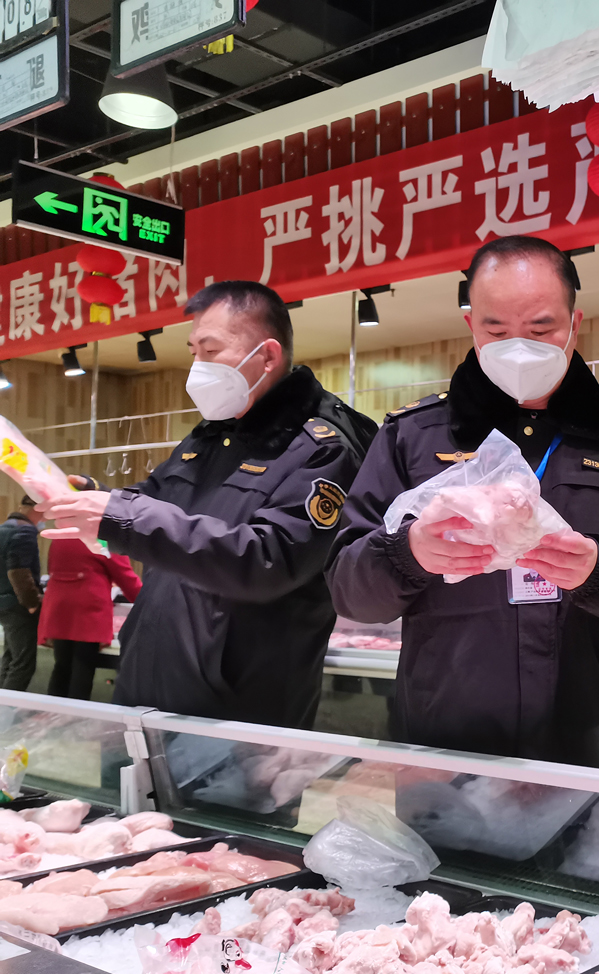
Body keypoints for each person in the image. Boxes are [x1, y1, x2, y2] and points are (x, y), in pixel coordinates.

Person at [328, 235, 599, 770]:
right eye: (496, 329)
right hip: (445, 747)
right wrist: (407, 553)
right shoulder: (410, 438)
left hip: (588, 746)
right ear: (470, 324)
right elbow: (347, 587)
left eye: (542, 328)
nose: (518, 346)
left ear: (575, 323)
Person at [38, 281, 378, 728]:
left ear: (268, 356)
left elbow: (267, 560)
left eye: (211, 350)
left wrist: (123, 517)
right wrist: (98, 496)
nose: (196, 365)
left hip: (237, 714)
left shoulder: (323, 447)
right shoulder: (211, 432)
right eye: (193, 349)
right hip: (144, 690)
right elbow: (156, 500)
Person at [38, 534, 142, 701]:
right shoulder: (104, 539)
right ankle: (75, 720)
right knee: (83, 667)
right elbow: (124, 576)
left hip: (59, 608)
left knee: (62, 666)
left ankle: (53, 717)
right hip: (87, 610)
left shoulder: (62, 535)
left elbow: (52, 566)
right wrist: (145, 600)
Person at [0, 497, 43, 690]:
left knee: (10, 658)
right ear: (37, 509)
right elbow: (18, 571)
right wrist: (32, 604)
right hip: (17, 605)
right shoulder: (25, 530)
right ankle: (6, 715)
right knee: (22, 664)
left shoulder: (5, 527)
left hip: (4, 602)